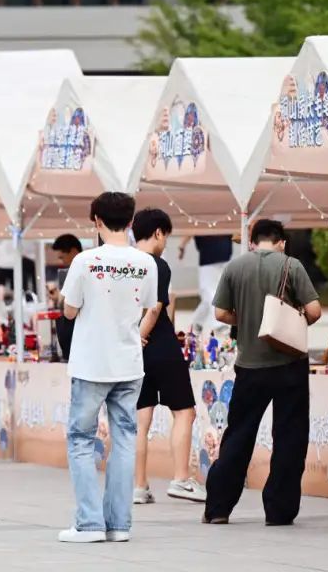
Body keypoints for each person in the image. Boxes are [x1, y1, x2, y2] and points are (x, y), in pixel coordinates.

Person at [204, 219, 321, 526]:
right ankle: (279, 511)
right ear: (281, 242)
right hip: (289, 365)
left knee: (238, 436)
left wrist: (245, 319)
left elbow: (219, 313)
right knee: (289, 438)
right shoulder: (292, 265)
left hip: (249, 366)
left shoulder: (234, 267)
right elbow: (315, 311)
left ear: (253, 242)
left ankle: (218, 507)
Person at [58, 192, 159, 543]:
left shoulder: (85, 261)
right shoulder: (146, 263)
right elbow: (149, 306)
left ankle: (89, 524)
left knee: (81, 439)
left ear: (96, 221)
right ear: (131, 222)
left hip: (91, 363)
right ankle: (119, 525)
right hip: (129, 363)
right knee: (125, 440)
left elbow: (69, 311)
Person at [130, 209, 205, 505]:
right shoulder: (157, 264)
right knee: (184, 411)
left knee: (140, 419)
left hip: (134, 354)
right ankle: (180, 478)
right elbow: (156, 308)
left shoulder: (123, 263)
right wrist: (141, 336)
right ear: (159, 232)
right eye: (166, 237)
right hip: (159, 345)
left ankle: (139, 486)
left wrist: (132, 342)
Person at [178, 234, 233, 334]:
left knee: (208, 291)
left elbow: (189, 230)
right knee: (210, 293)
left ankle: (218, 324)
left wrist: (182, 246)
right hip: (218, 254)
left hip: (214, 255)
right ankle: (196, 323)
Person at [49, 234, 83, 361]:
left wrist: (60, 298)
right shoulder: (72, 271)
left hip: (77, 340)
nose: (61, 260)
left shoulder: (80, 271)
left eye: (62, 256)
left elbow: (71, 306)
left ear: (73, 251)